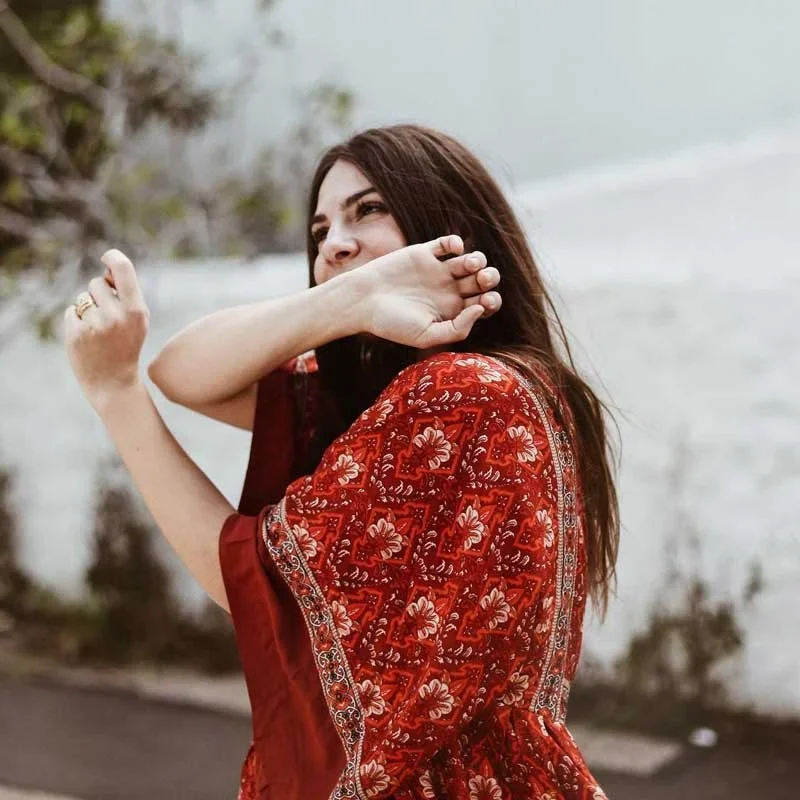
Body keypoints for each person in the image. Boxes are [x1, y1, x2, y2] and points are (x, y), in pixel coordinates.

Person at [64, 124, 618, 800]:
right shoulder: (419, 395)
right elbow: (183, 372)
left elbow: (260, 583)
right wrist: (345, 299)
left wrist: (115, 394)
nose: (334, 243)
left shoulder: (466, 396)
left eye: (369, 209)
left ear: (451, 225)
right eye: (319, 232)